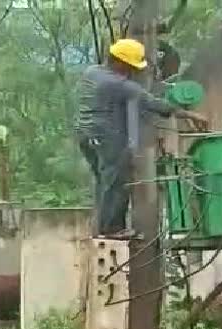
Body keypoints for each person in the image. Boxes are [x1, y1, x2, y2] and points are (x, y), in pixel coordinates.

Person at [75, 38, 208, 239]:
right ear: (120, 63)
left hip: (85, 135)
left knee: (104, 180)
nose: (133, 72)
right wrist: (191, 115)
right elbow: (152, 102)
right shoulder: (119, 84)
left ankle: (102, 227)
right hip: (105, 135)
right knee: (117, 178)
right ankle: (112, 229)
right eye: (131, 67)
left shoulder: (91, 72)